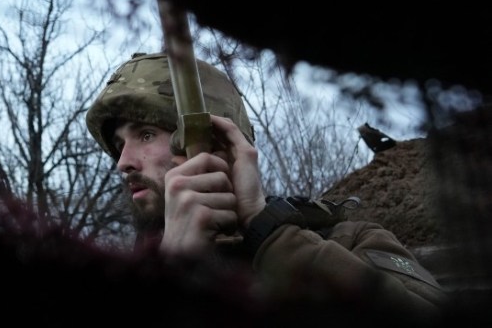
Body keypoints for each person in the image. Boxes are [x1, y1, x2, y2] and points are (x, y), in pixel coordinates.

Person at [85, 52, 448, 316]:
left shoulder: (347, 242)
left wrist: (272, 235)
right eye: (119, 146)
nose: (123, 162)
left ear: (217, 142)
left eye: (146, 134)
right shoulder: (113, 281)